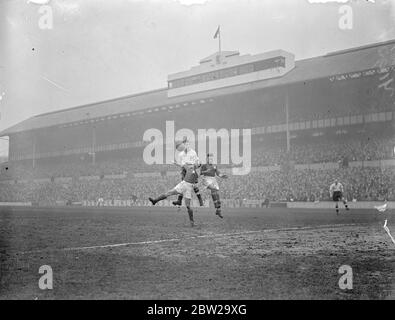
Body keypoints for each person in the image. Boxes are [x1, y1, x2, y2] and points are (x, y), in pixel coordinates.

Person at [172, 137, 204, 207]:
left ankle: (200, 200)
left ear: (189, 144)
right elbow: (181, 165)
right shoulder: (180, 154)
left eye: (187, 143)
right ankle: (179, 200)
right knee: (183, 185)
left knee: (194, 185)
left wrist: (198, 164)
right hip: (184, 171)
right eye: (185, 144)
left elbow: (197, 161)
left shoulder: (193, 152)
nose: (186, 145)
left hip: (191, 170)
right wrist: (176, 163)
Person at [200, 153, 228, 218]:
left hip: (213, 179)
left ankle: (218, 210)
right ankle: (217, 206)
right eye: (209, 158)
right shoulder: (204, 165)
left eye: (212, 158)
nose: (211, 159)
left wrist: (222, 175)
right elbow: (201, 173)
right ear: (207, 159)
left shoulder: (214, 166)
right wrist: (207, 171)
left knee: (216, 193)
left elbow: (218, 173)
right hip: (206, 179)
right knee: (213, 189)